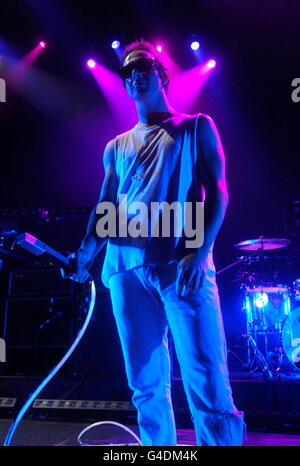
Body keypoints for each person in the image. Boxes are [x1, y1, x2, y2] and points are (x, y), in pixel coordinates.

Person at [63, 39, 244, 446]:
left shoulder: (196, 125)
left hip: (182, 265)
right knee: (145, 383)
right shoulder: (115, 147)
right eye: (126, 71)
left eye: (142, 65)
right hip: (124, 269)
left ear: (161, 74)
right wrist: (86, 254)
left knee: (207, 378)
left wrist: (200, 252)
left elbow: (218, 192)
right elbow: (105, 206)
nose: (134, 74)